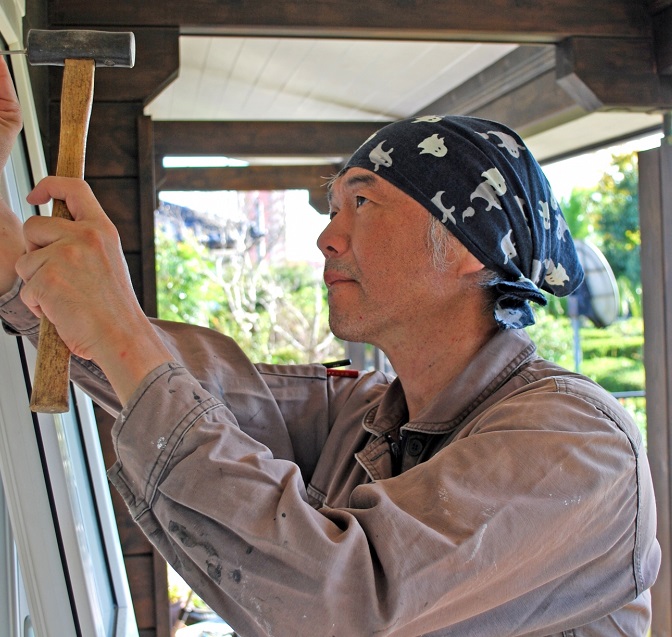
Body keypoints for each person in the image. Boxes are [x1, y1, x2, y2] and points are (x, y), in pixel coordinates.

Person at [0, 53, 660, 636]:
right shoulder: (366, 420)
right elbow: (206, 390)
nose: (326, 236)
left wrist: (118, 325)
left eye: (362, 204)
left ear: (467, 245)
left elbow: (340, 604)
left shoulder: (578, 447)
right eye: (332, 207)